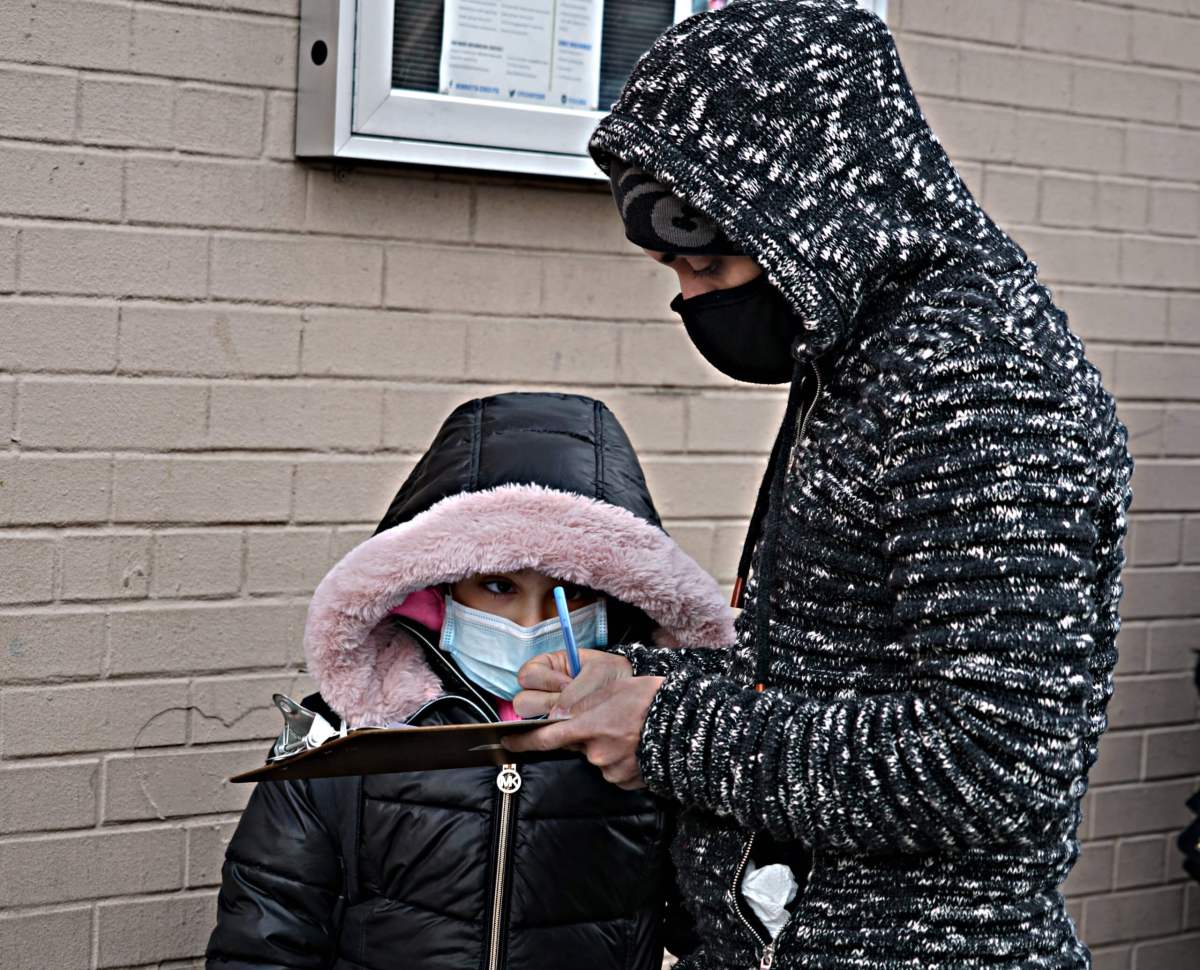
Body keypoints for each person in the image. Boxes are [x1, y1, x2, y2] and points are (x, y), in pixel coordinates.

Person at [506, 2, 1134, 968]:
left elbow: (996, 760)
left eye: (710, 263)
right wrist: (641, 685)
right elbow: (827, 679)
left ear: (815, 214)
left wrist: (667, 728)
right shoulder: (863, 356)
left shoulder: (975, 383)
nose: (691, 298)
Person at [205, 392, 735, 970]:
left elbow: (725, 931)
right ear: (439, 586)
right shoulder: (343, 740)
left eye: (572, 591)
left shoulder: (651, 742)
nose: (531, 624)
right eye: (498, 587)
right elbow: (266, 939)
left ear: (620, 601)